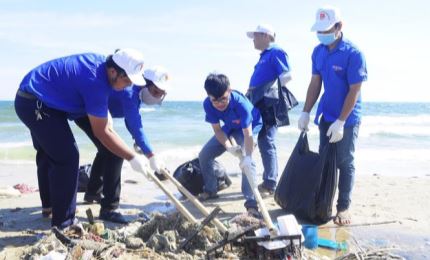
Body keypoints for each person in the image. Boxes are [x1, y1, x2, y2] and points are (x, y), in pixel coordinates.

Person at [14, 49, 151, 229]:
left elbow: (103, 123)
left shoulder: (104, 70)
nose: (128, 85)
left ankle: (55, 209)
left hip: (54, 100)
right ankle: (64, 224)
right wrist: (132, 157)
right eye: (127, 80)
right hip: (33, 100)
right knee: (67, 156)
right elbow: (102, 132)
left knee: (60, 153)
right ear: (113, 72)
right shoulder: (96, 80)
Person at [298, 6, 367, 225]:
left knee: (345, 162)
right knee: (325, 160)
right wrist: (306, 111)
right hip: (326, 115)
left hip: (347, 118)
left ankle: (343, 207)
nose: (322, 34)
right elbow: (315, 83)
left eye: (327, 29)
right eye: (320, 30)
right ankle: (323, 202)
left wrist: (341, 121)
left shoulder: (354, 54)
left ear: (339, 26)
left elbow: (354, 90)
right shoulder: (318, 52)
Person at [74, 66, 169, 223]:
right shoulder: (129, 91)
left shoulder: (136, 92)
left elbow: (131, 123)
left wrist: (141, 145)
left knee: (105, 149)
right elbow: (134, 123)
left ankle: (93, 192)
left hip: (92, 111)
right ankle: (109, 208)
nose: (158, 97)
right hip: (84, 111)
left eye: (162, 94)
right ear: (146, 84)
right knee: (115, 151)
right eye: (156, 92)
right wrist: (150, 154)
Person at [198, 73, 263, 216]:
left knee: (247, 161)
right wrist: (228, 147)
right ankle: (210, 189)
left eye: (223, 99)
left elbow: (248, 134)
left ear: (229, 90)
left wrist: (248, 156)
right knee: (204, 155)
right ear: (209, 96)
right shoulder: (207, 104)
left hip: (249, 127)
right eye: (215, 101)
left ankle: (251, 204)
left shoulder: (241, 104)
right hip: (230, 126)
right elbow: (218, 130)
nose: (220, 103)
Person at [246, 24, 292, 197]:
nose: (253, 40)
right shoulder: (264, 55)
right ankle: (268, 181)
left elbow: (286, 76)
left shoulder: (276, 51)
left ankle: (270, 184)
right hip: (259, 102)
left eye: (256, 36)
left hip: (269, 103)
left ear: (266, 36)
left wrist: (266, 90)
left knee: (267, 140)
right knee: (262, 139)